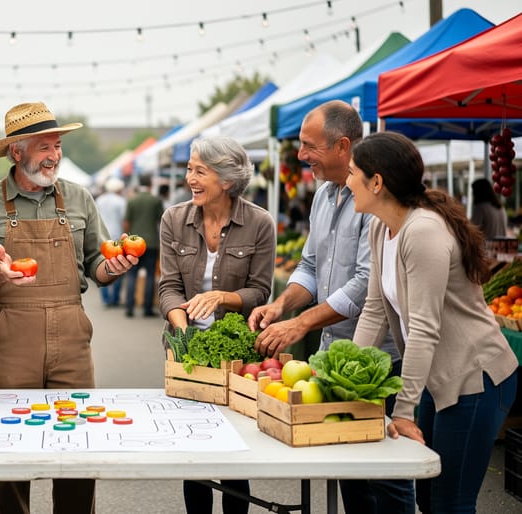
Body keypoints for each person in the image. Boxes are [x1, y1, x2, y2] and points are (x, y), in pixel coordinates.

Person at [0, 101, 135, 514]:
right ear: (16, 152)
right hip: (10, 338)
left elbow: (97, 263)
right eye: (44, 147)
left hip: (71, 336)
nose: (54, 155)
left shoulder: (79, 198)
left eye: (57, 146)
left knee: (76, 450)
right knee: (8, 454)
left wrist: (114, 268)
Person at [247, 100, 410, 514]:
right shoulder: (322, 195)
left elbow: (364, 285)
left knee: (387, 478)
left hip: (378, 359)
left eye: (308, 146)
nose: (301, 156)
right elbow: (311, 266)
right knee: (348, 469)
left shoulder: (375, 199)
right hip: (334, 358)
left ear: (342, 146)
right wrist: (282, 305)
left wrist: (302, 323)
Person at [347, 131, 518, 513]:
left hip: (475, 378)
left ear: (377, 182)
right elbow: (374, 308)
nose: (346, 181)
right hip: (436, 377)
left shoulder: (422, 231)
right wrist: (344, 378)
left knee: (449, 502)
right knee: (426, 492)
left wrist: (403, 412)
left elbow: (424, 329)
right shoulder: (380, 228)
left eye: (352, 172)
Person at [158, 135, 275, 514]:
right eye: (190, 169)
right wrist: (183, 330)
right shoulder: (174, 219)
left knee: (234, 448)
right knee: (194, 450)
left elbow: (259, 290)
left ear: (226, 180)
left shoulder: (259, 223)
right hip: (187, 349)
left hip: (236, 353)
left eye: (199, 171)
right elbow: (169, 287)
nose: (190, 178)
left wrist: (222, 297)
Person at [124, 173, 165, 318]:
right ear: (151, 183)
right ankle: (147, 308)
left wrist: (127, 238)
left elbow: (126, 222)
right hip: (151, 242)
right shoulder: (155, 200)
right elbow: (161, 221)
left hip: (134, 243)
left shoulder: (132, 200)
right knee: (149, 276)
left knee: (132, 275)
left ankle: (129, 306)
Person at [95, 177, 127, 307]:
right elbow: (124, 220)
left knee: (103, 266)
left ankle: (105, 298)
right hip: (117, 237)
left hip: (102, 236)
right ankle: (115, 298)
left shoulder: (100, 200)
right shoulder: (121, 201)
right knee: (118, 266)